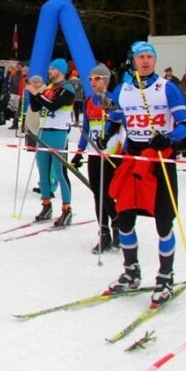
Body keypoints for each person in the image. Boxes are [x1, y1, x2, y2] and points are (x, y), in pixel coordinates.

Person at [103, 41, 186, 306]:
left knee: (163, 222)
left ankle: (165, 276)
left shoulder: (167, 88)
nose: (146, 61)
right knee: (125, 219)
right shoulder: (124, 90)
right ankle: (131, 272)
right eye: (141, 57)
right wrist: (105, 131)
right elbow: (116, 117)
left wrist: (170, 138)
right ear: (133, 60)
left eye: (150, 57)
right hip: (133, 159)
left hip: (160, 159)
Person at [71, 63, 121, 253]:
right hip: (94, 153)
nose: (93, 82)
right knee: (97, 194)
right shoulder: (89, 101)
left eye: (97, 79)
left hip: (111, 153)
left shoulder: (113, 100)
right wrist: (79, 152)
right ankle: (104, 234)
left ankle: (119, 228)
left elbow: (121, 124)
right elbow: (86, 129)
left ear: (106, 80)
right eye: (91, 79)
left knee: (108, 195)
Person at [26, 58, 75, 225]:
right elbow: (36, 107)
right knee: (42, 170)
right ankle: (46, 205)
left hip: (58, 133)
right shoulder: (48, 88)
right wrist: (33, 93)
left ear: (60, 71)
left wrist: (37, 94)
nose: (49, 72)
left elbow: (54, 105)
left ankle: (67, 209)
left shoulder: (67, 88)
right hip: (44, 132)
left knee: (59, 172)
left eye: (52, 69)